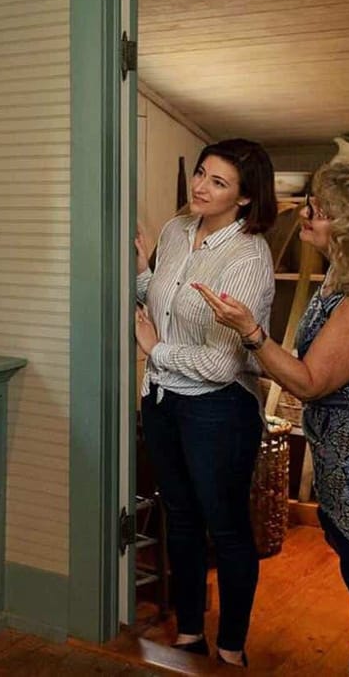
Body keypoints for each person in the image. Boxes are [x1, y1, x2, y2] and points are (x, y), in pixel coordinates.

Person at [196, 160, 349, 676]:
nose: (308, 214)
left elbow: (310, 380)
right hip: (340, 468)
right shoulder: (339, 277)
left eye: (321, 209)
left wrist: (250, 331)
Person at [134, 138, 277, 667]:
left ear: (244, 199)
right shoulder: (176, 231)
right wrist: (142, 273)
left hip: (218, 411)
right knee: (182, 519)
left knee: (227, 526)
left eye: (218, 182)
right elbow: (163, 302)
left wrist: (155, 349)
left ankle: (232, 647)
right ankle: (191, 631)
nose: (200, 186)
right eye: (201, 173)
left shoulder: (249, 257)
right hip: (164, 399)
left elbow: (221, 365)